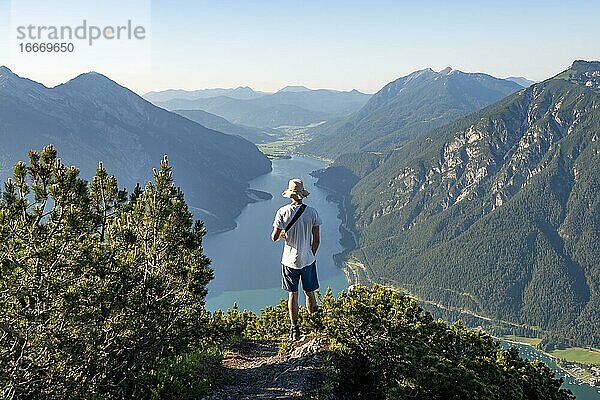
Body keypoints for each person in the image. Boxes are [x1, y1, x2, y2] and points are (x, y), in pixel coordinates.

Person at [271, 178, 322, 341]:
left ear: (290, 195)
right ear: (302, 194)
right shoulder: (312, 212)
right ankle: (316, 325)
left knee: (293, 295)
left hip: (288, 261)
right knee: (310, 294)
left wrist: (283, 234)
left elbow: (274, 237)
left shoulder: (282, 212)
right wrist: (310, 253)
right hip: (307, 260)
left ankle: (295, 329)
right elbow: (317, 240)